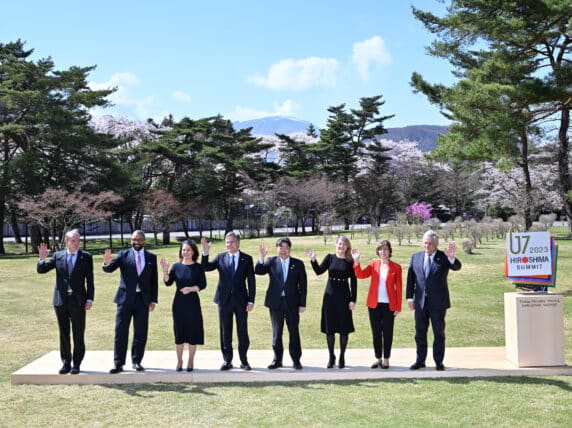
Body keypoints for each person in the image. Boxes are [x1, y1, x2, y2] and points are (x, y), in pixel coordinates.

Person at [37, 229, 94, 375]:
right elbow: (42, 270)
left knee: (78, 333)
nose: (76, 243)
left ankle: (77, 363)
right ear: (66, 242)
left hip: (78, 301)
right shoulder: (58, 256)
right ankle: (66, 363)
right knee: (64, 333)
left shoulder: (86, 257)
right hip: (60, 301)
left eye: (78, 240)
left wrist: (89, 299)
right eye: (73, 240)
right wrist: (42, 259)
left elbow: (90, 281)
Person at [102, 230, 158, 374]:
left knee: (140, 332)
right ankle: (118, 363)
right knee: (120, 331)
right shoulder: (123, 255)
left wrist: (153, 300)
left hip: (143, 300)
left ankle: (137, 361)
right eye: (133, 239)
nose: (136, 242)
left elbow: (154, 281)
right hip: (125, 299)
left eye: (139, 240)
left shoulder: (151, 257)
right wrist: (106, 263)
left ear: (144, 241)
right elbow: (109, 269)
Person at [406, 230, 461, 371]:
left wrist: (452, 258)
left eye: (430, 243)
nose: (427, 245)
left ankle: (438, 362)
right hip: (420, 303)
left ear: (436, 244)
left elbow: (457, 267)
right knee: (420, 333)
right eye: (425, 242)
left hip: (438, 304)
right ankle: (420, 360)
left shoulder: (443, 257)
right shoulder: (415, 257)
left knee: (439, 333)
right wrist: (409, 298)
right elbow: (410, 279)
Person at [201, 232, 255, 371]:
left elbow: (251, 281)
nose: (228, 245)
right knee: (225, 331)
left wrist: (251, 301)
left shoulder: (247, 259)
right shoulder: (220, 257)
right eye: (227, 242)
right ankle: (227, 360)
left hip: (241, 301)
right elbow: (205, 267)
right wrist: (205, 253)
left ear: (238, 243)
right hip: (224, 301)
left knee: (242, 331)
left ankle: (244, 360)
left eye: (231, 242)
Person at [305, 235, 357, 369]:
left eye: (344, 245)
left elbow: (354, 282)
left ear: (347, 247)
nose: (341, 246)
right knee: (330, 329)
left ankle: (342, 356)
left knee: (343, 329)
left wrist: (353, 299)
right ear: (336, 244)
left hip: (344, 297)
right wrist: (313, 259)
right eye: (339, 244)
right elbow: (318, 271)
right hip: (330, 297)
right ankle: (331, 356)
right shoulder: (330, 257)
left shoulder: (350, 261)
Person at [255, 237, 307, 370]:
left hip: (292, 303)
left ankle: (296, 360)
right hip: (275, 303)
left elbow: (303, 285)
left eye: (286, 248)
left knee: (293, 332)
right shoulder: (271, 261)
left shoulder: (298, 263)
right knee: (277, 332)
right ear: (277, 249)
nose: (283, 250)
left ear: (290, 249)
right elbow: (259, 271)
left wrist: (302, 303)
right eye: (281, 247)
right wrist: (261, 257)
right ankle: (277, 360)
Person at [352, 240, 402, 369]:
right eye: (380, 249)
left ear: (389, 251)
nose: (383, 252)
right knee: (376, 333)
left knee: (387, 333)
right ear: (377, 251)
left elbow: (399, 288)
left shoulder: (396, 267)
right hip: (374, 305)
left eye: (385, 249)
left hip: (389, 306)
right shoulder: (373, 264)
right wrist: (356, 261)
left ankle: (386, 359)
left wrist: (398, 307)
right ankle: (378, 358)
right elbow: (361, 275)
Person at [160, 240, 206, 372]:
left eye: (188, 250)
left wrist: (191, 289)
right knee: (179, 333)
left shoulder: (198, 267)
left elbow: (203, 284)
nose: (185, 252)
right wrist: (165, 271)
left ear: (193, 252)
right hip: (179, 304)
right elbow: (168, 283)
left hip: (193, 304)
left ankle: (191, 361)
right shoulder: (176, 266)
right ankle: (179, 361)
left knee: (193, 332)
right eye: (183, 250)